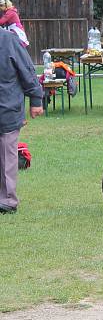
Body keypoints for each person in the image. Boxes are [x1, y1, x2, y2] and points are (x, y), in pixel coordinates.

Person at [0, 29, 43, 214]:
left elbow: (27, 70)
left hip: (6, 108)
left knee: (6, 155)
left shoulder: (8, 39)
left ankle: (7, 200)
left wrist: (36, 99)